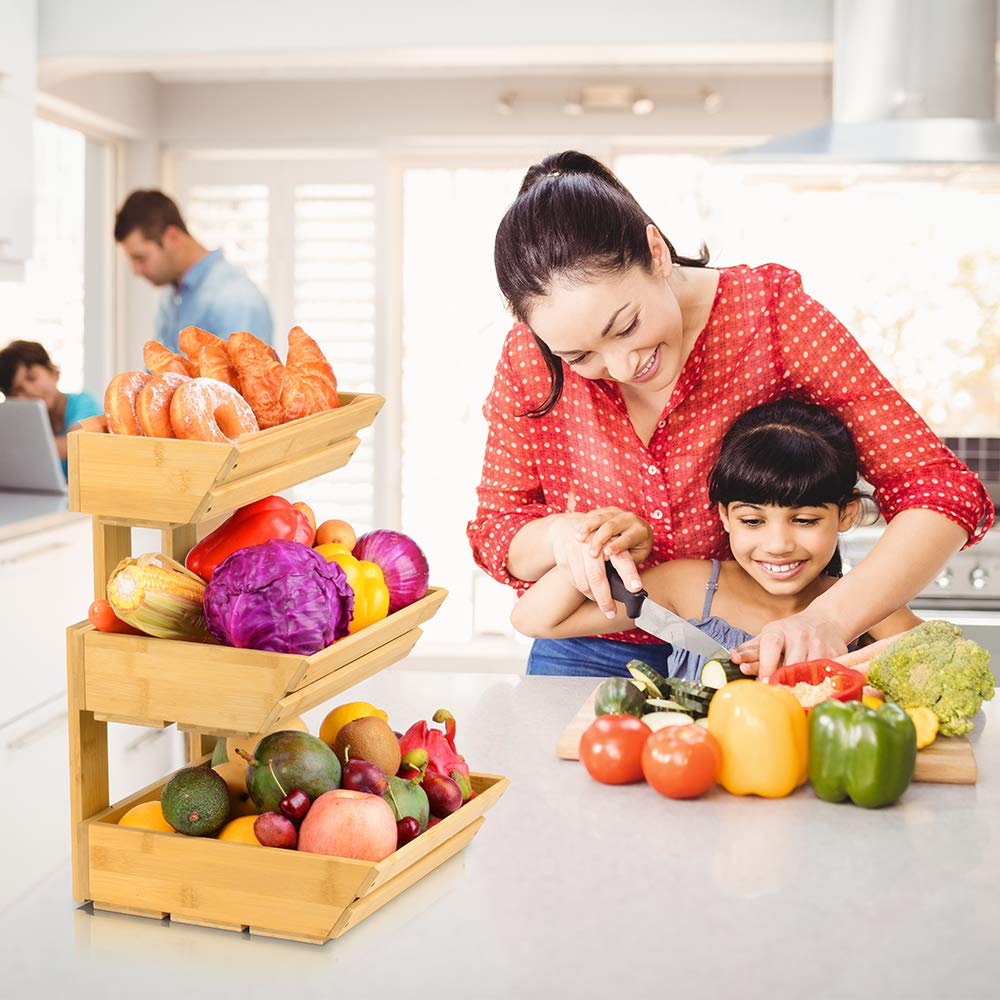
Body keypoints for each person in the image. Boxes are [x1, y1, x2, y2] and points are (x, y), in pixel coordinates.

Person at [468, 149, 993, 678]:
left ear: (656, 253)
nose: (622, 367)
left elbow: (937, 488)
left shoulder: (772, 316)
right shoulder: (529, 358)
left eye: (626, 326)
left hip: (761, 644)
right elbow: (498, 531)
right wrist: (563, 534)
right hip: (588, 643)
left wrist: (828, 617)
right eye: (580, 357)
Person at [510, 399, 922, 679]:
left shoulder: (861, 600)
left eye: (805, 520)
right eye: (753, 521)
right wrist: (598, 541)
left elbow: (940, 663)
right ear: (725, 516)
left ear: (846, 514)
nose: (778, 544)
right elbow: (534, 619)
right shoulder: (690, 587)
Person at [114, 189, 273, 354]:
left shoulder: (236, 299)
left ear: (172, 238)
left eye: (140, 258)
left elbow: (249, 377)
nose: (136, 271)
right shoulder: (170, 299)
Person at [0, 340, 103, 476]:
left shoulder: (84, 402)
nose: (29, 391)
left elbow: (75, 445)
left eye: (32, 378)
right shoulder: (22, 422)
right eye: (18, 390)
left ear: (54, 371)